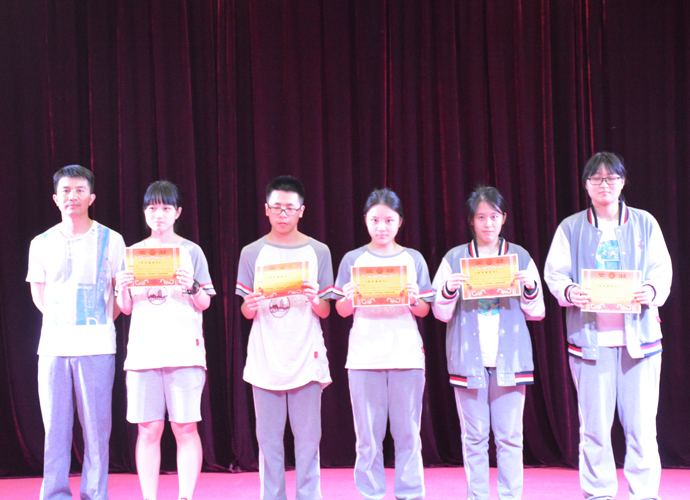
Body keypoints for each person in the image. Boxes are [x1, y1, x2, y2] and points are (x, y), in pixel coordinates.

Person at [544, 152, 671, 500]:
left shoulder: (644, 223)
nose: (604, 184)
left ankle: (644, 493)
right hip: (591, 343)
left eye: (611, 178)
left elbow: (662, 269)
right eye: (596, 178)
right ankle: (598, 493)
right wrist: (570, 291)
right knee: (595, 427)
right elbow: (555, 273)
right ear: (586, 185)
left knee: (642, 426)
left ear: (622, 182)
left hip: (640, 342)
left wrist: (651, 290)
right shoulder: (571, 227)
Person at [431, 186, 545, 500]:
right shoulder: (455, 258)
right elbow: (440, 313)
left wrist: (530, 287)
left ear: (503, 218)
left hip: (510, 358)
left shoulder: (520, 257)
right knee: (474, 438)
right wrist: (448, 290)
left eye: (494, 216)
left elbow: (537, 312)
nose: (488, 223)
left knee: (510, 438)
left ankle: (510, 496)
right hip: (469, 359)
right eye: (481, 217)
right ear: (471, 221)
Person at [26, 165, 126, 500]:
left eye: (80, 190)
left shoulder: (111, 240)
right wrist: (61, 321)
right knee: (54, 429)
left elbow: (118, 293)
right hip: (53, 348)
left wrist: (99, 321)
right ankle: (55, 494)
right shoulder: (41, 243)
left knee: (96, 429)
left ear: (91, 197)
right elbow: (38, 293)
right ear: (56, 198)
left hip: (97, 346)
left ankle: (95, 493)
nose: (73, 196)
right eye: (66, 190)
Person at [235, 175, 334, 500]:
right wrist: (249, 306)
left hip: (306, 358)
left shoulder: (318, 251)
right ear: (266, 209)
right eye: (276, 207)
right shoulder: (252, 252)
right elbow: (245, 311)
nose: (282, 214)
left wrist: (314, 299)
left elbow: (325, 311)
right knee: (269, 443)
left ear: (301, 210)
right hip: (265, 359)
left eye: (290, 208)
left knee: (308, 441)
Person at [115, 180, 214, 500]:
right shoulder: (133, 253)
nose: (158, 214)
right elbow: (125, 308)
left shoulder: (191, 251)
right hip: (143, 353)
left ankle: (185, 496)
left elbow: (205, 302)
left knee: (185, 428)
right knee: (148, 429)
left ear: (178, 212)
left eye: (166, 208)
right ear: (145, 212)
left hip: (184, 352)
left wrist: (192, 286)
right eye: (152, 208)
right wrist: (121, 288)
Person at [334, 188, 433, 500]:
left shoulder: (413, 258)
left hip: (406, 356)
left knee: (408, 435)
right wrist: (349, 298)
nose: (381, 227)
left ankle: (410, 494)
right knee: (367, 439)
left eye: (389, 220)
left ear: (400, 221)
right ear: (365, 220)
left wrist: (414, 298)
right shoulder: (353, 259)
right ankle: (371, 494)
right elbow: (341, 310)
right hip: (364, 358)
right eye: (375, 220)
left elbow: (424, 310)